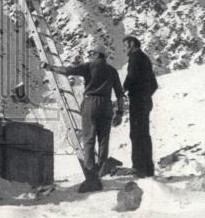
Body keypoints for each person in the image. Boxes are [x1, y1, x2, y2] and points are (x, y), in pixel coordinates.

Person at [46, 45, 124, 192]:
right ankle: (100, 171)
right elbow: (120, 94)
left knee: (88, 140)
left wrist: (51, 67)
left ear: (97, 54)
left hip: (91, 103)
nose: (89, 55)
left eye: (91, 53)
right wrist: (119, 112)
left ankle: (91, 177)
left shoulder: (89, 66)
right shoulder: (112, 71)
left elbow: (68, 71)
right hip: (107, 104)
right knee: (103, 141)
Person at [122, 35, 158, 178]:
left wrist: (122, 91)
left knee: (136, 134)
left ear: (131, 44)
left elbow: (130, 77)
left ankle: (138, 168)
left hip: (137, 102)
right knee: (144, 134)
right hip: (145, 101)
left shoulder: (135, 57)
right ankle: (148, 168)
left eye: (125, 46)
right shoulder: (145, 58)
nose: (124, 49)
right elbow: (154, 84)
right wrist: (146, 95)